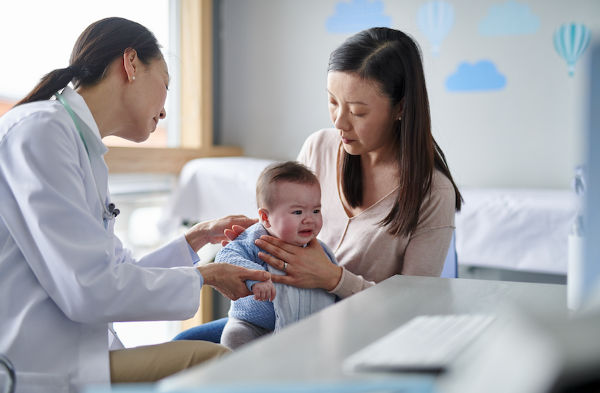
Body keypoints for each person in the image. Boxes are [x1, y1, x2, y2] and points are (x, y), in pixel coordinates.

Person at [0, 17, 270, 393]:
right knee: (219, 364)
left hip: (76, 351)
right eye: (165, 83)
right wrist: (206, 277)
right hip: (38, 363)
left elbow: (114, 275)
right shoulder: (40, 131)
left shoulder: (81, 147)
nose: (164, 112)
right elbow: (91, 290)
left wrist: (193, 241)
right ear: (130, 64)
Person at [175, 26, 462, 342]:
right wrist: (256, 243)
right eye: (333, 102)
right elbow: (282, 225)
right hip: (279, 317)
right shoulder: (319, 148)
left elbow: (411, 309)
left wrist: (335, 279)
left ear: (401, 108)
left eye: (357, 111)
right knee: (184, 348)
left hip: (356, 335)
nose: (339, 122)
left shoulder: (432, 193)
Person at [217, 161, 337, 349]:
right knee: (233, 338)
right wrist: (256, 277)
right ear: (265, 218)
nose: (309, 219)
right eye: (297, 212)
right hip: (253, 324)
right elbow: (226, 256)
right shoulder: (255, 239)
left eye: (316, 210)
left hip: (302, 329)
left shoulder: (319, 251)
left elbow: (333, 282)